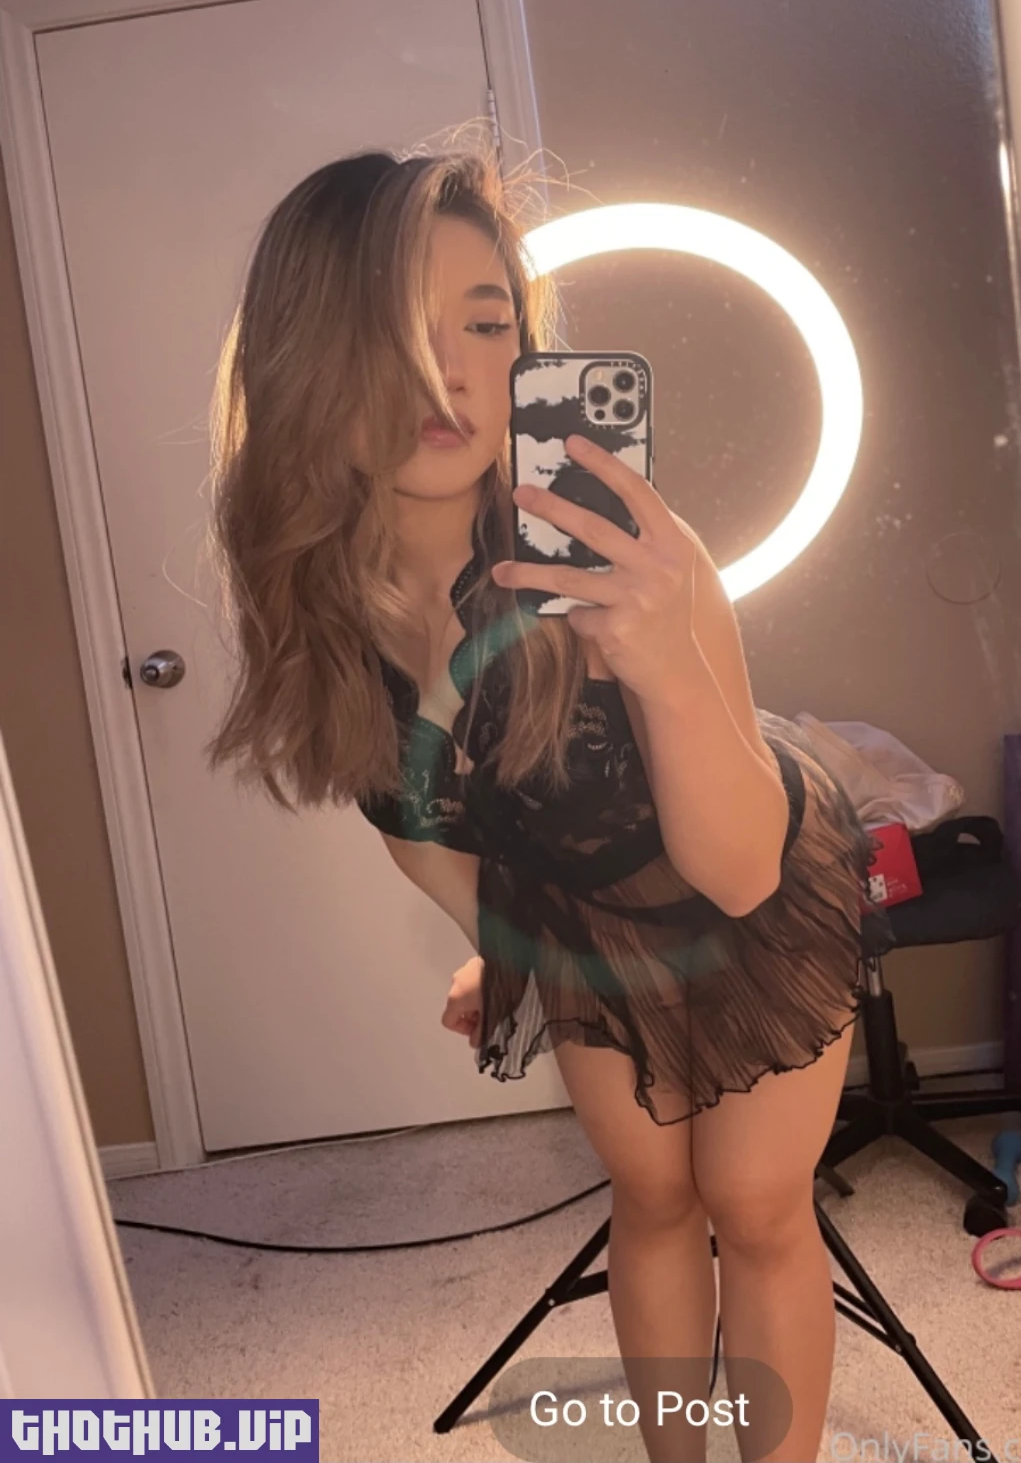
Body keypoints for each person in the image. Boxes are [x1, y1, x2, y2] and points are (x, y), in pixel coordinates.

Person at [205, 143, 876, 1463]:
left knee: (752, 1200)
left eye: (486, 322)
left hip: (752, 862)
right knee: (653, 1192)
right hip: (582, 917)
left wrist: (661, 661)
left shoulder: (621, 545)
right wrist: (497, 936)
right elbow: (408, 820)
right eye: (397, 327)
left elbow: (742, 869)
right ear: (306, 354)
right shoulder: (324, 602)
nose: (451, 372)